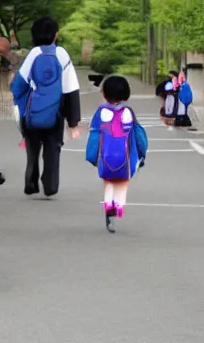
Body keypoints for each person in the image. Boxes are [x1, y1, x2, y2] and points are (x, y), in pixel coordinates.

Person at [10, 17, 81, 197]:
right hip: (56, 113)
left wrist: (22, 105)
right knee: (53, 148)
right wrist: (73, 121)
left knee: (32, 148)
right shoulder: (62, 55)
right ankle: (50, 185)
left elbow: (18, 84)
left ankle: (31, 181)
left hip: (32, 113)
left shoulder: (33, 54)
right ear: (56, 35)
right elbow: (71, 88)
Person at [86, 76, 147, 234]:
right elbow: (139, 135)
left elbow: (94, 135)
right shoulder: (128, 113)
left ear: (105, 93)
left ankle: (109, 209)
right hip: (125, 158)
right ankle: (119, 207)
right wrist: (142, 153)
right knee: (122, 183)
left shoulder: (101, 112)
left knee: (109, 182)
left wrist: (92, 156)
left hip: (106, 157)